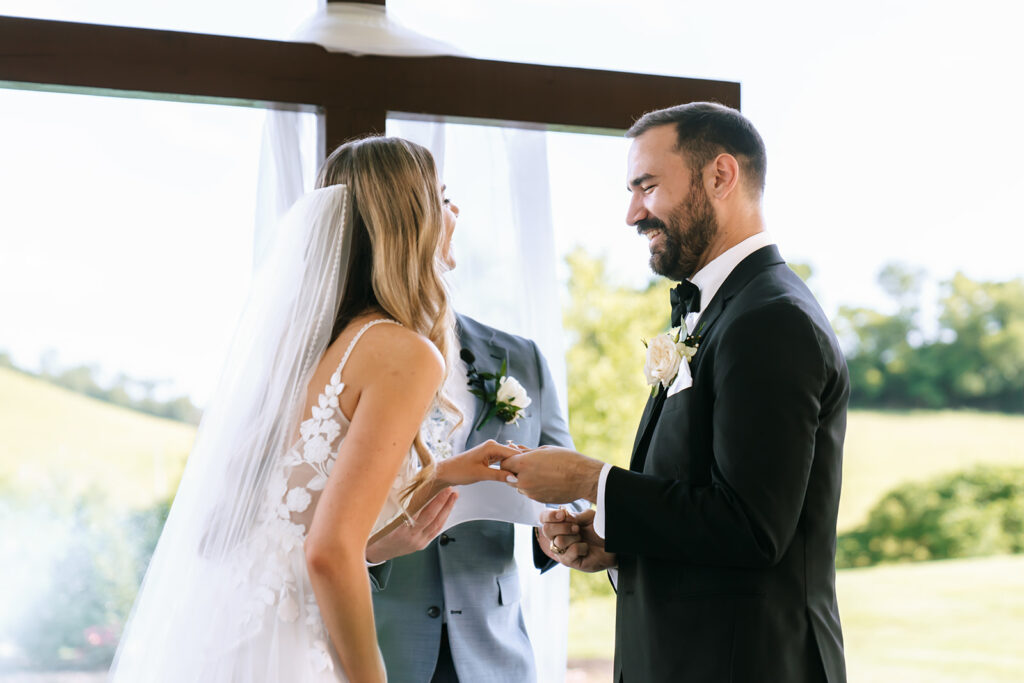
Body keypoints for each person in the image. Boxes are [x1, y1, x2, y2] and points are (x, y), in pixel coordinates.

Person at [109, 136, 517, 683]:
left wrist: (438, 477)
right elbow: (327, 551)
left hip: (238, 634)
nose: (455, 212)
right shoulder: (405, 353)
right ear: (409, 219)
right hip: (286, 649)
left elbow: (299, 518)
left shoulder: (309, 346)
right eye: (442, 197)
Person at [503, 102, 850, 682]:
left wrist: (593, 480)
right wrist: (617, 541)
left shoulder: (771, 319)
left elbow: (750, 526)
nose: (632, 213)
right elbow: (703, 501)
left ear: (720, 176)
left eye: (647, 186)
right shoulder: (724, 311)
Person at [363, 207, 582, 681]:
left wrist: (555, 528)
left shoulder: (519, 357)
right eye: (440, 197)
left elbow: (571, 481)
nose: (456, 211)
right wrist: (371, 549)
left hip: (496, 655)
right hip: (380, 647)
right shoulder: (354, 358)